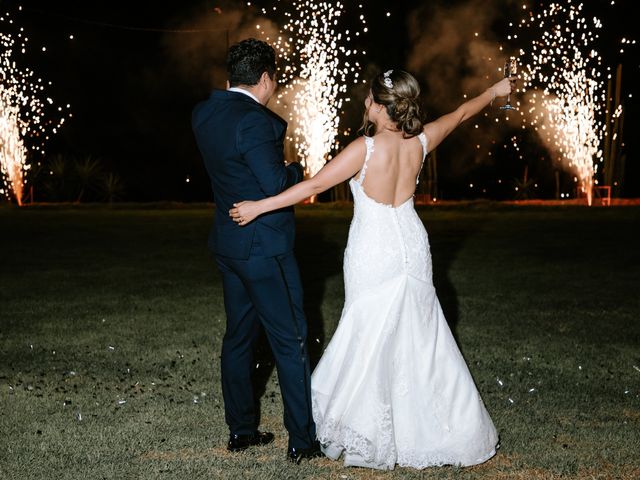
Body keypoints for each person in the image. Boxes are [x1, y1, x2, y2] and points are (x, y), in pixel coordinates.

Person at [229, 69, 515, 470]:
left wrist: (258, 206)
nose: (364, 103)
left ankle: (367, 426)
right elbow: (463, 113)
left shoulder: (363, 149)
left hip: (374, 248)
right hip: (412, 244)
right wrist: (495, 90)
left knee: (367, 329)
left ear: (382, 108)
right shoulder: (421, 140)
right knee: (420, 334)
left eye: (369, 100)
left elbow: (312, 187)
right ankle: (436, 425)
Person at [191, 38, 321, 463]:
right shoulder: (256, 122)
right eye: (274, 81)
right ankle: (303, 441)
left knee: (238, 338)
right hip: (265, 247)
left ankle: (241, 431)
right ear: (264, 78)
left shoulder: (204, 112)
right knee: (292, 340)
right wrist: (296, 169)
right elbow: (275, 186)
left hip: (229, 245)